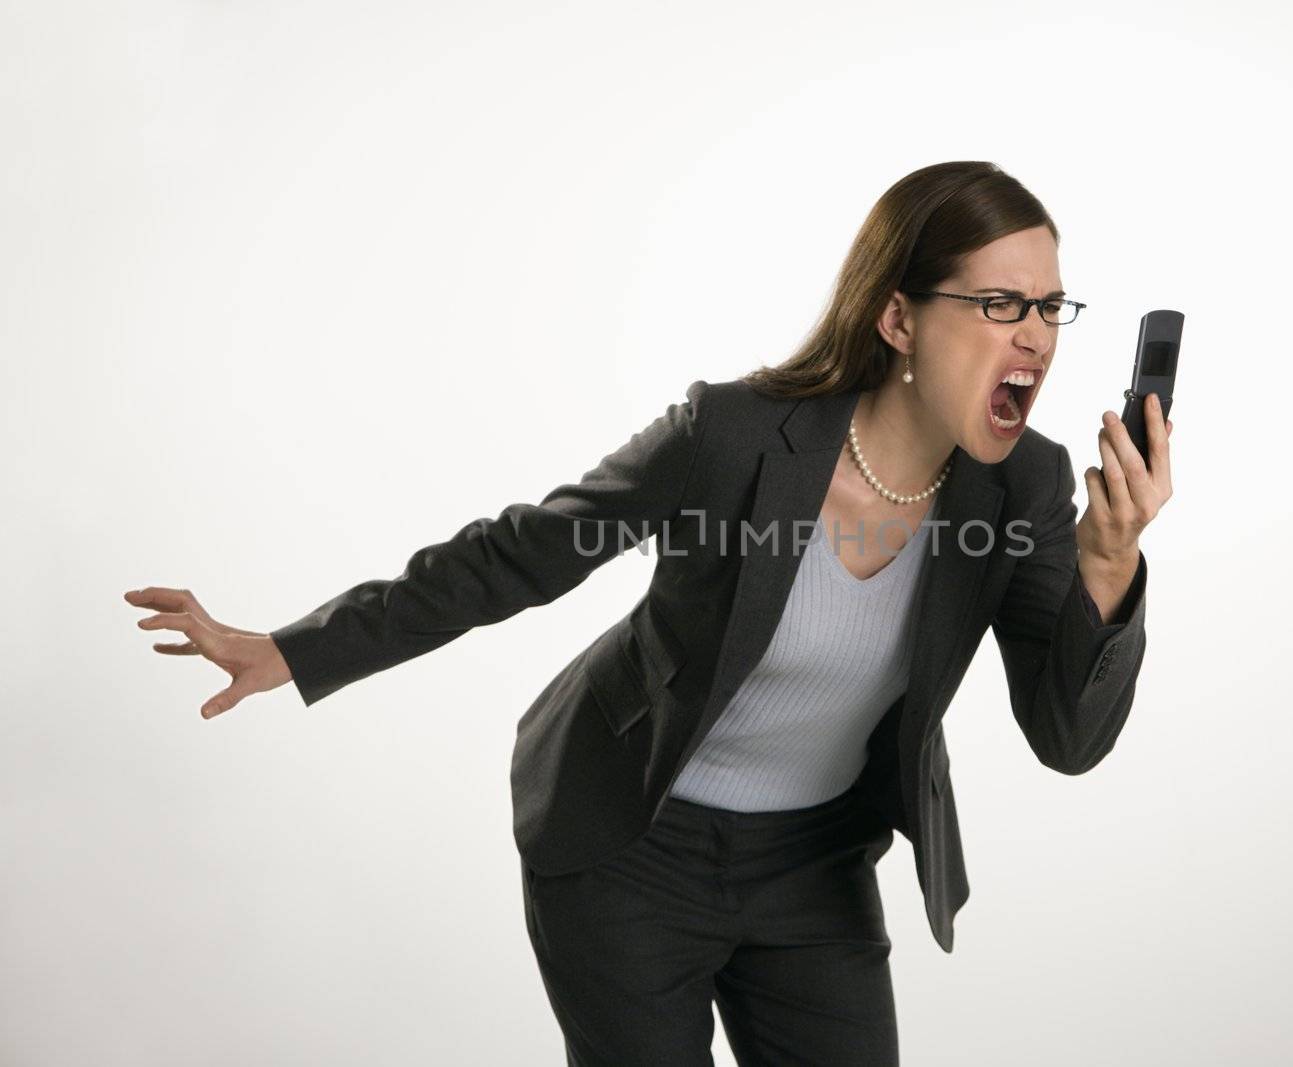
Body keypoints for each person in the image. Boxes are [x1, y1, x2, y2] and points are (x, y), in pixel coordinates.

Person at [124, 160, 1173, 1066]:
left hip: (813, 864)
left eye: (1048, 306)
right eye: (998, 303)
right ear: (899, 317)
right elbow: (520, 553)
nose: (1033, 335)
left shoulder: (1022, 490)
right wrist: (296, 649)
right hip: (628, 837)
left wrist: (1107, 566)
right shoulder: (732, 435)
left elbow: (1068, 738)